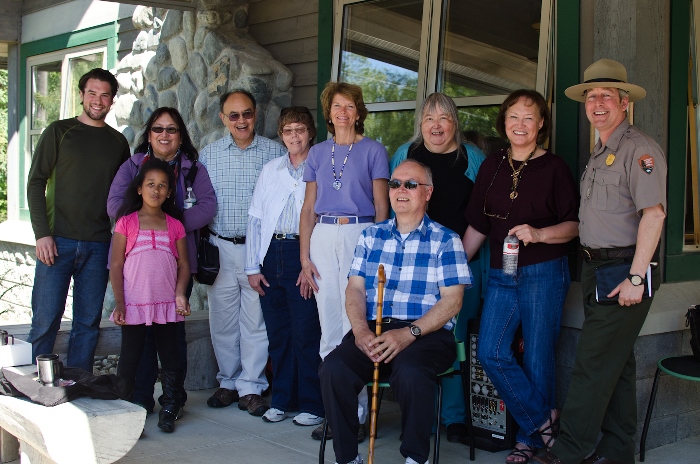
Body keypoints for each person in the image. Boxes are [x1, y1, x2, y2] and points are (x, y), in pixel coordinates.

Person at [534, 59, 666, 464]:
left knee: (591, 365)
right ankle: (616, 452)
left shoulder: (638, 149)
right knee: (617, 366)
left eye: (607, 95)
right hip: (595, 269)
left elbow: (655, 214)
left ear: (625, 103)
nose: (598, 103)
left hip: (623, 270)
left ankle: (568, 452)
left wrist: (636, 277)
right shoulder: (599, 153)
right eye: (591, 96)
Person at [320, 159, 472, 464]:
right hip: (374, 330)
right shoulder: (371, 236)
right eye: (395, 183)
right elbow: (355, 289)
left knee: (413, 372)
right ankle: (347, 458)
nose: (400, 190)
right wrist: (361, 331)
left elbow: (453, 301)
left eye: (410, 184)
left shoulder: (447, 240)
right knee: (333, 368)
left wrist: (409, 333)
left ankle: (416, 458)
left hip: (425, 334)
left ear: (428, 192)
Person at [463, 89, 579, 463]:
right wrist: (454, 266)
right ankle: (544, 421)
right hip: (502, 271)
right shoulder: (492, 164)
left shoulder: (555, 168)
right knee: (492, 352)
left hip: (544, 271)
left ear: (541, 123)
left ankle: (528, 441)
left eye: (529, 118)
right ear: (504, 121)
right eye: (513, 116)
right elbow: (478, 225)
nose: (520, 124)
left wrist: (541, 234)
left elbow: (575, 225)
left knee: (538, 358)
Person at [390, 92, 486, 444]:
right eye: (429, 118)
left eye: (444, 118)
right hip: (413, 266)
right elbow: (394, 207)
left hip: (460, 262)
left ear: (454, 123)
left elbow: (483, 214)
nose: (436, 125)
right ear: (420, 122)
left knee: (454, 339)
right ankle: (422, 417)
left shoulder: (471, 159)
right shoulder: (406, 155)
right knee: (418, 338)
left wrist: (459, 258)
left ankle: (456, 417)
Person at [107, 107, 217, 413]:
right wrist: (142, 219)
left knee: (171, 340)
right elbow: (114, 204)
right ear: (149, 134)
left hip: (174, 265)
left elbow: (208, 206)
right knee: (139, 345)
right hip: (138, 272)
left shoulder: (193, 169)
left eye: (171, 129)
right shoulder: (132, 166)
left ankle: (173, 400)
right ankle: (139, 400)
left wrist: (173, 220)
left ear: (180, 135)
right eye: (158, 129)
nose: (164, 135)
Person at [299, 81, 390, 441]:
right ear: (329, 111)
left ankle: (362, 415)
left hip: (361, 233)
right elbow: (308, 208)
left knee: (359, 323)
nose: (342, 112)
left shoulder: (373, 150)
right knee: (329, 323)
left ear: (358, 111)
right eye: (337, 106)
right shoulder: (317, 153)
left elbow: (382, 206)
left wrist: (380, 250)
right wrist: (304, 257)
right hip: (323, 234)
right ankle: (337, 415)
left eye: (349, 106)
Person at [27, 68, 130, 372]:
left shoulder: (117, 143)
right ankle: (36, 383)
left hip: (99, 244)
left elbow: (122, 194)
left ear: (112, 100)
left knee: (87, 323)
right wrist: (41, 234)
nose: (98, 100)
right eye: (92, 93)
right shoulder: (59, 132)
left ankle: (78, 382)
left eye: (105, 95)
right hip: (56, 241)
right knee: (45, 319)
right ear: (82, 94)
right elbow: (36, 183)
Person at [200, 89, 285, 416]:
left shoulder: (274, 153)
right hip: (219, 245)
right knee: (222, 321)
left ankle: (251, 387)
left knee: (255, 321)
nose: (241, 120)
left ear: (256, 115)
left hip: (257, 250)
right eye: (233, 115)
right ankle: (228, 382)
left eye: (246, 113)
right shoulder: (209, 154)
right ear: (223, 118)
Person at [245, 106, 324, 426]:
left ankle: (312, 404)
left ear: (311, 133)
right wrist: (252, 266)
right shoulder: (270, 170)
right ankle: (282, 399)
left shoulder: (319, 167)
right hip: (270, 253)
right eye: (288, 130)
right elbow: (256, 218)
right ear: (281, 135)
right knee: (278, 334)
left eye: (301, 129)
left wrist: (310, 263)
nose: (295, 136)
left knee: (306, 333)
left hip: (302, 253)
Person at [110, 158, 191, 433]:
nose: (156, 190)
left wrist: (180, 294)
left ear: (169, 192)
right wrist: (120, 303)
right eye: (150, 184)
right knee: (130, 357)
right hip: (134, 305)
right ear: (139, 189)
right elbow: (117, 265)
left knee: (171, 357)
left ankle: (170, 405)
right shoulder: (126, 223)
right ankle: (124, 410)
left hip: (167, 305)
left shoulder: (174, 225)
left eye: (162, 186)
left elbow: (183, 265)